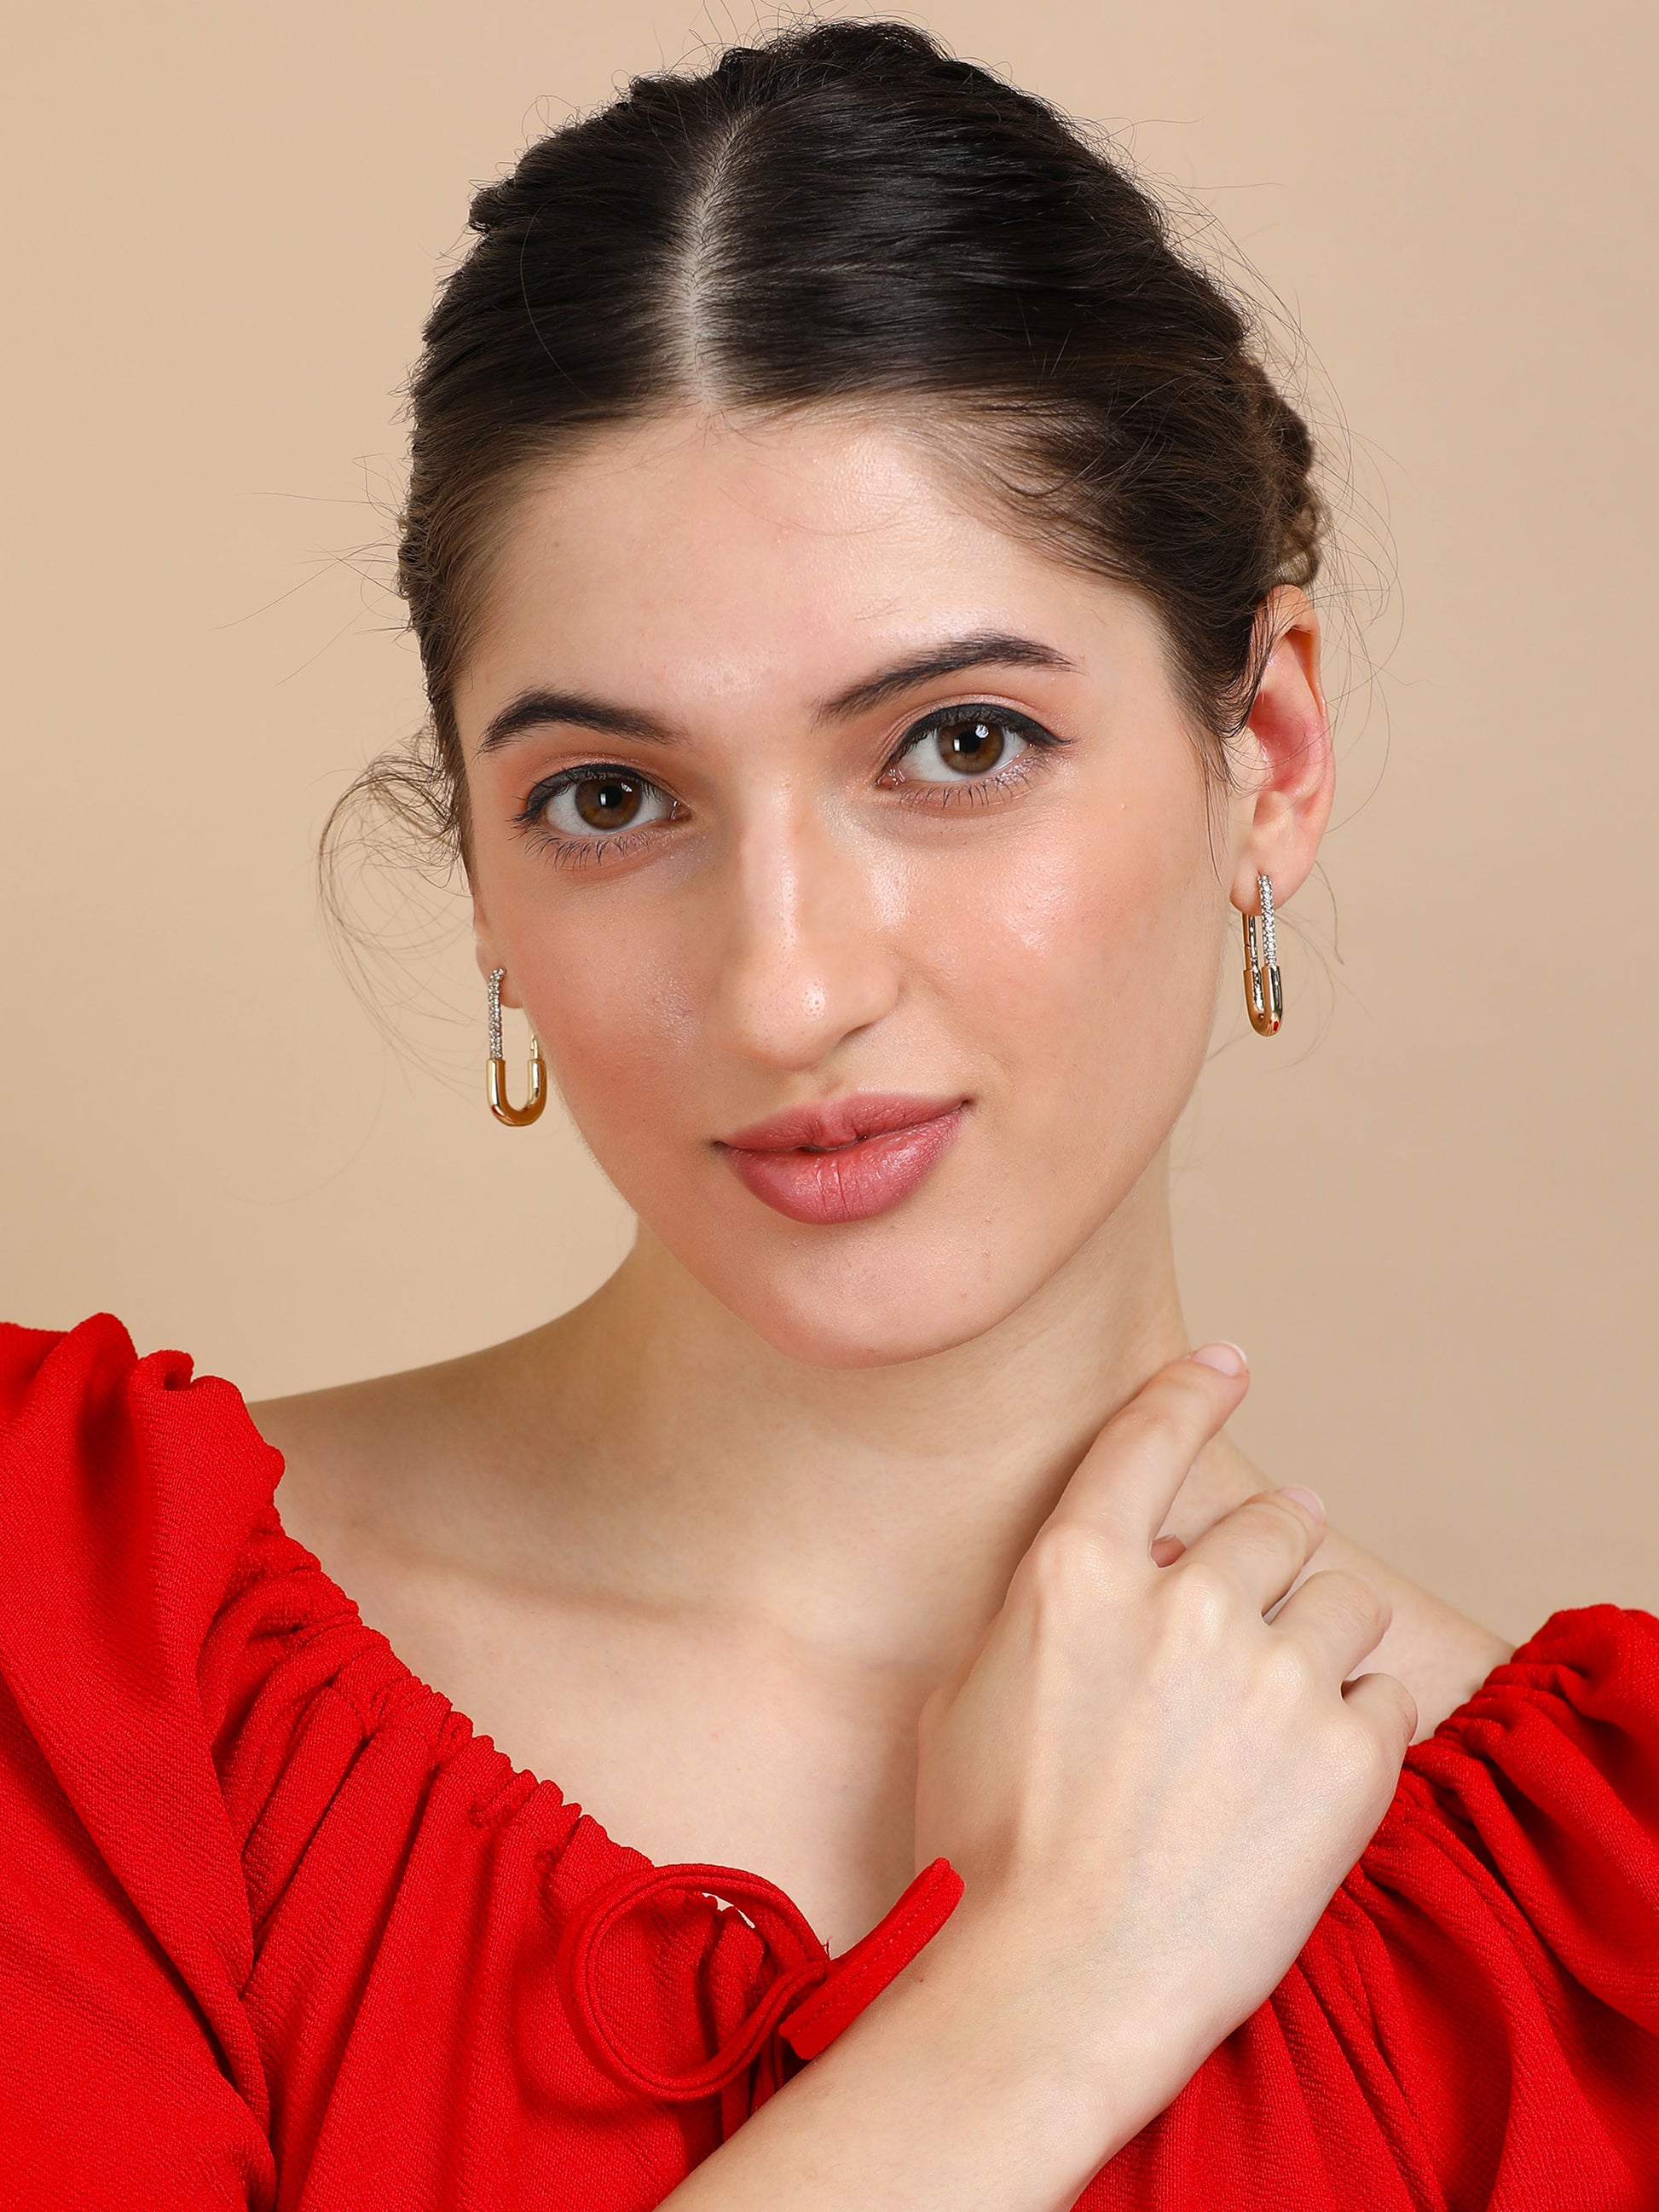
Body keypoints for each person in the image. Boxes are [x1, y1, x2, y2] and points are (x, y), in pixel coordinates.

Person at [2, 20, 1655, 2210]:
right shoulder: (73, 1637)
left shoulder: (1586, 1949)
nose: (787, 983)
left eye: (957, 744)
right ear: (483, 877)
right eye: (610, 798)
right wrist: (1037, 2003)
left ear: (1265, 752)